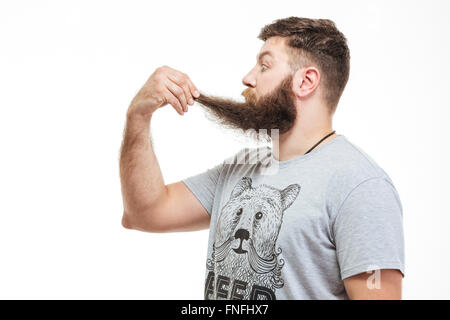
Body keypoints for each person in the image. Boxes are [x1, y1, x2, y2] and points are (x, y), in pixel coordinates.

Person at [119, 16, 405, 300]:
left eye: (264, 66)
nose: (248, 78)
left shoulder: (361, 186)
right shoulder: (240, 170)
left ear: (305, 81)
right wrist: (138, 117)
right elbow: (143, 214)